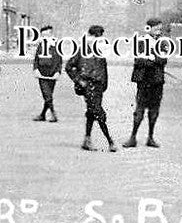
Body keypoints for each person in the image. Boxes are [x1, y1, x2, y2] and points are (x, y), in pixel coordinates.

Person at [65, 25, 116, 152]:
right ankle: (110, 141)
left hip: (98, 86)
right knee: (99, 113)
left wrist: (104, 85)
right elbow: (68, 66)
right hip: (88, 85)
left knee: (92, 113)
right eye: (96, 37)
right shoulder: (82, 51)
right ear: (90, 37)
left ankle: (87, 140)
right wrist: (79, 81)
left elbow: (104, 70)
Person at [124, 17, 168, 148]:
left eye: (160, 29)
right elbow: (138, 61)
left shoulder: (164, 42)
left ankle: (150, 137)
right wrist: (154, 59)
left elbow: (163, 60)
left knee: (154, 109)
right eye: (156, 29)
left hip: (157, 80)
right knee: (140, 109)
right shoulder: (141, 41)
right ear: (149, 28)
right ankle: (133, 137)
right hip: (143, 81)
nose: (159, 31)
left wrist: (149, 57)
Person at [32, 25, 63, 122]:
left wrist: (58, 72)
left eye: (47, 35)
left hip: (52, 74)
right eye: (43, 35)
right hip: (42, 74)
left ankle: (42, 115)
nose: (45, 37)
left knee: (48, 95)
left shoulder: (56, 46)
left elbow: (59, 61)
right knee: (47, 95)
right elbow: (36, 59)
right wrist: (35, 69)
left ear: (51, 35)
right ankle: (54, 114)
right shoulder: (40, 46)